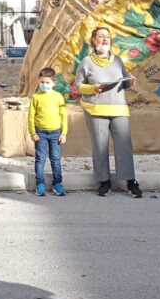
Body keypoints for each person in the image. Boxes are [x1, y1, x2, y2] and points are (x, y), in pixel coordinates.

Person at [74, 27, 142, 197]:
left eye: (107, 37)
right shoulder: (86, 62)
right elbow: (79, 86)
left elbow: (123, 83)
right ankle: (104, 181)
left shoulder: (118, 60)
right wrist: (94, 88)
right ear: (93, 41)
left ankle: (130, 181)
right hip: (96, 110)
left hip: (119, 108)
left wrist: (131, 82)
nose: (104, 40)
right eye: (101, 37)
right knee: (100, 146)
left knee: (124, 145)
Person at [28, 67, 68, 197]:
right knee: (40, 159)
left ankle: (57, 183)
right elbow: (31, 116)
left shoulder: (58, 97)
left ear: (54, 83)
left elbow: (63, 115)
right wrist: (32, 132)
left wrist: (64, 133)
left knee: (55, 159)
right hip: (40, 133)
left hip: (56, 133)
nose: (44, 85)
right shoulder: (35, 97)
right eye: (42, 82)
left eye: (47, 82)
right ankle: (40, 184)